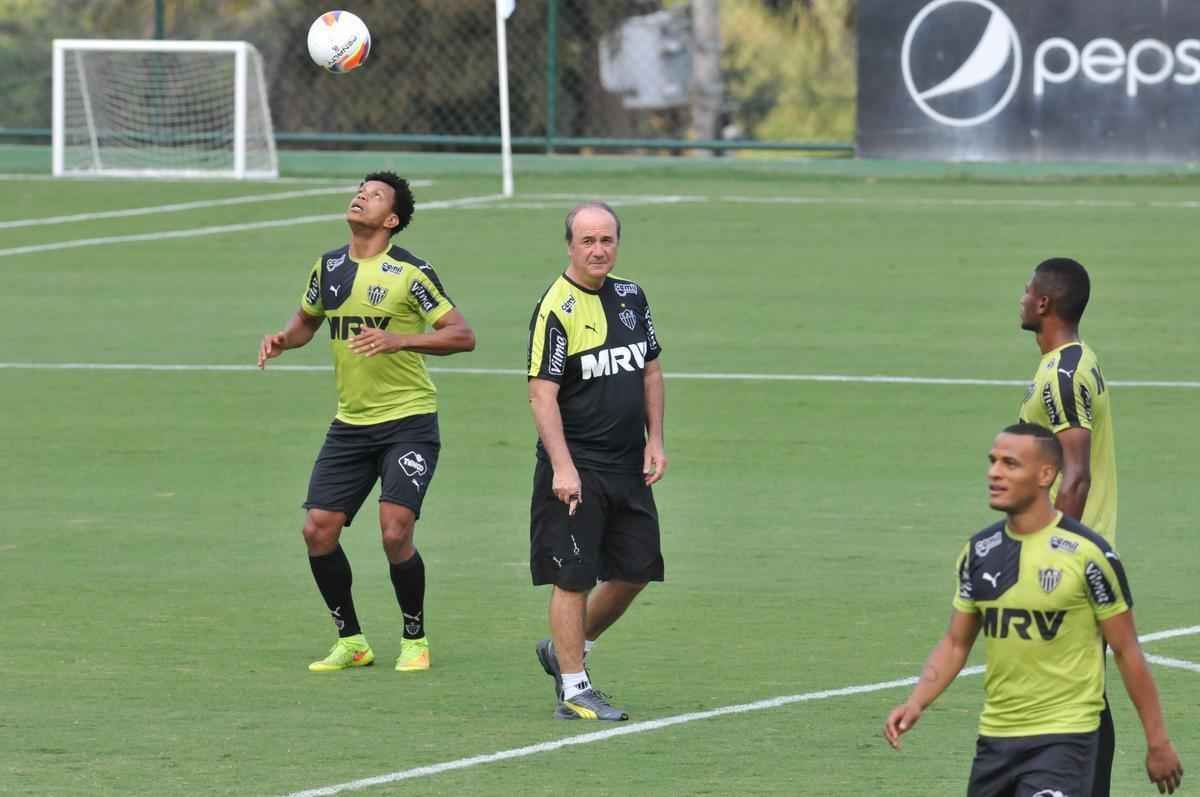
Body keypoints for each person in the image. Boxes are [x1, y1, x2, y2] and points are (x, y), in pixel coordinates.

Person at [883, 424, 1183, 796]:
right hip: (996, 739)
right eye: (993, 462)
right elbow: (956, 643)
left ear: (1045, 475)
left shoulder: (1089, 555)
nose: (994, 472)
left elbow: (1126, 649)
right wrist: (916, 703)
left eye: (1010, 464)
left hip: (1065, 739)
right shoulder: (979, 552)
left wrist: (1157, 741)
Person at [257, 171, 475, 673]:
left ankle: (414, 638)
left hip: (409, 421)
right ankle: (352, 640)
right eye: (360, 190)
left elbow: (462, 336)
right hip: (350, 425)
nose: (360, 196)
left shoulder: (410, 273)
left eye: (374, 195)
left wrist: (401, 339)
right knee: (317, 531)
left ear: (392, 219)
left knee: (394, 532)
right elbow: (308, 320)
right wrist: (283, 340)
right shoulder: (329, 266)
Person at [525, 201, 667, 721]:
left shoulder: (631, 296)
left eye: (606, 240)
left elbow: (650, 371)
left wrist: (656, 440)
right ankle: (573, 689)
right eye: (587, 241)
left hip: (629, 464)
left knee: (637, 569)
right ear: (570, 246)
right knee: (574, 576)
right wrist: (563, 467)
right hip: (578, 465)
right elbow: (542, 394)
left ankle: (566, 651)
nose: (598, 249)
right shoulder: (557, 308)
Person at [1017, 257, 1120, 794]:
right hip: (1085, 551)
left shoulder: (1062, 373)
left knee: (1068, 690)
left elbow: (1074, 477)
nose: (1020, 296)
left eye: (1027, 289)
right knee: (1081, 690)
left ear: (1044, 303)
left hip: (1073, 559)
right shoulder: (1074, 362)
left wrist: (1050, 552)